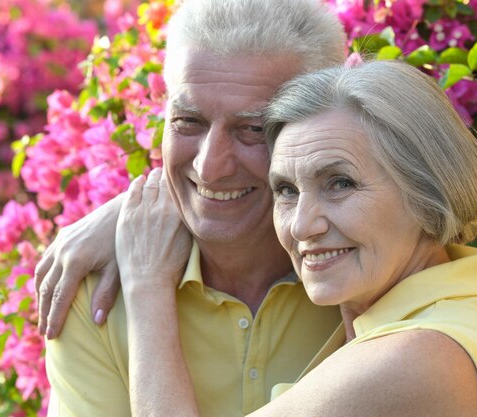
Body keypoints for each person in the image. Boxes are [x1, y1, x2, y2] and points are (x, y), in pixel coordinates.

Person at [116, 59, 477, 417]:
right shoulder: (474, 301)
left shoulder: (419, 356)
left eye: (339, 184)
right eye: (286, 191)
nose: (300, 226)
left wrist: (146, 285)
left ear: (428, 192)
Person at [44, 0, 349, 415]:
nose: (210, 166)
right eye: (188, 121)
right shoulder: (96, 292)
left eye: (253, 129)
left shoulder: (370, 265)